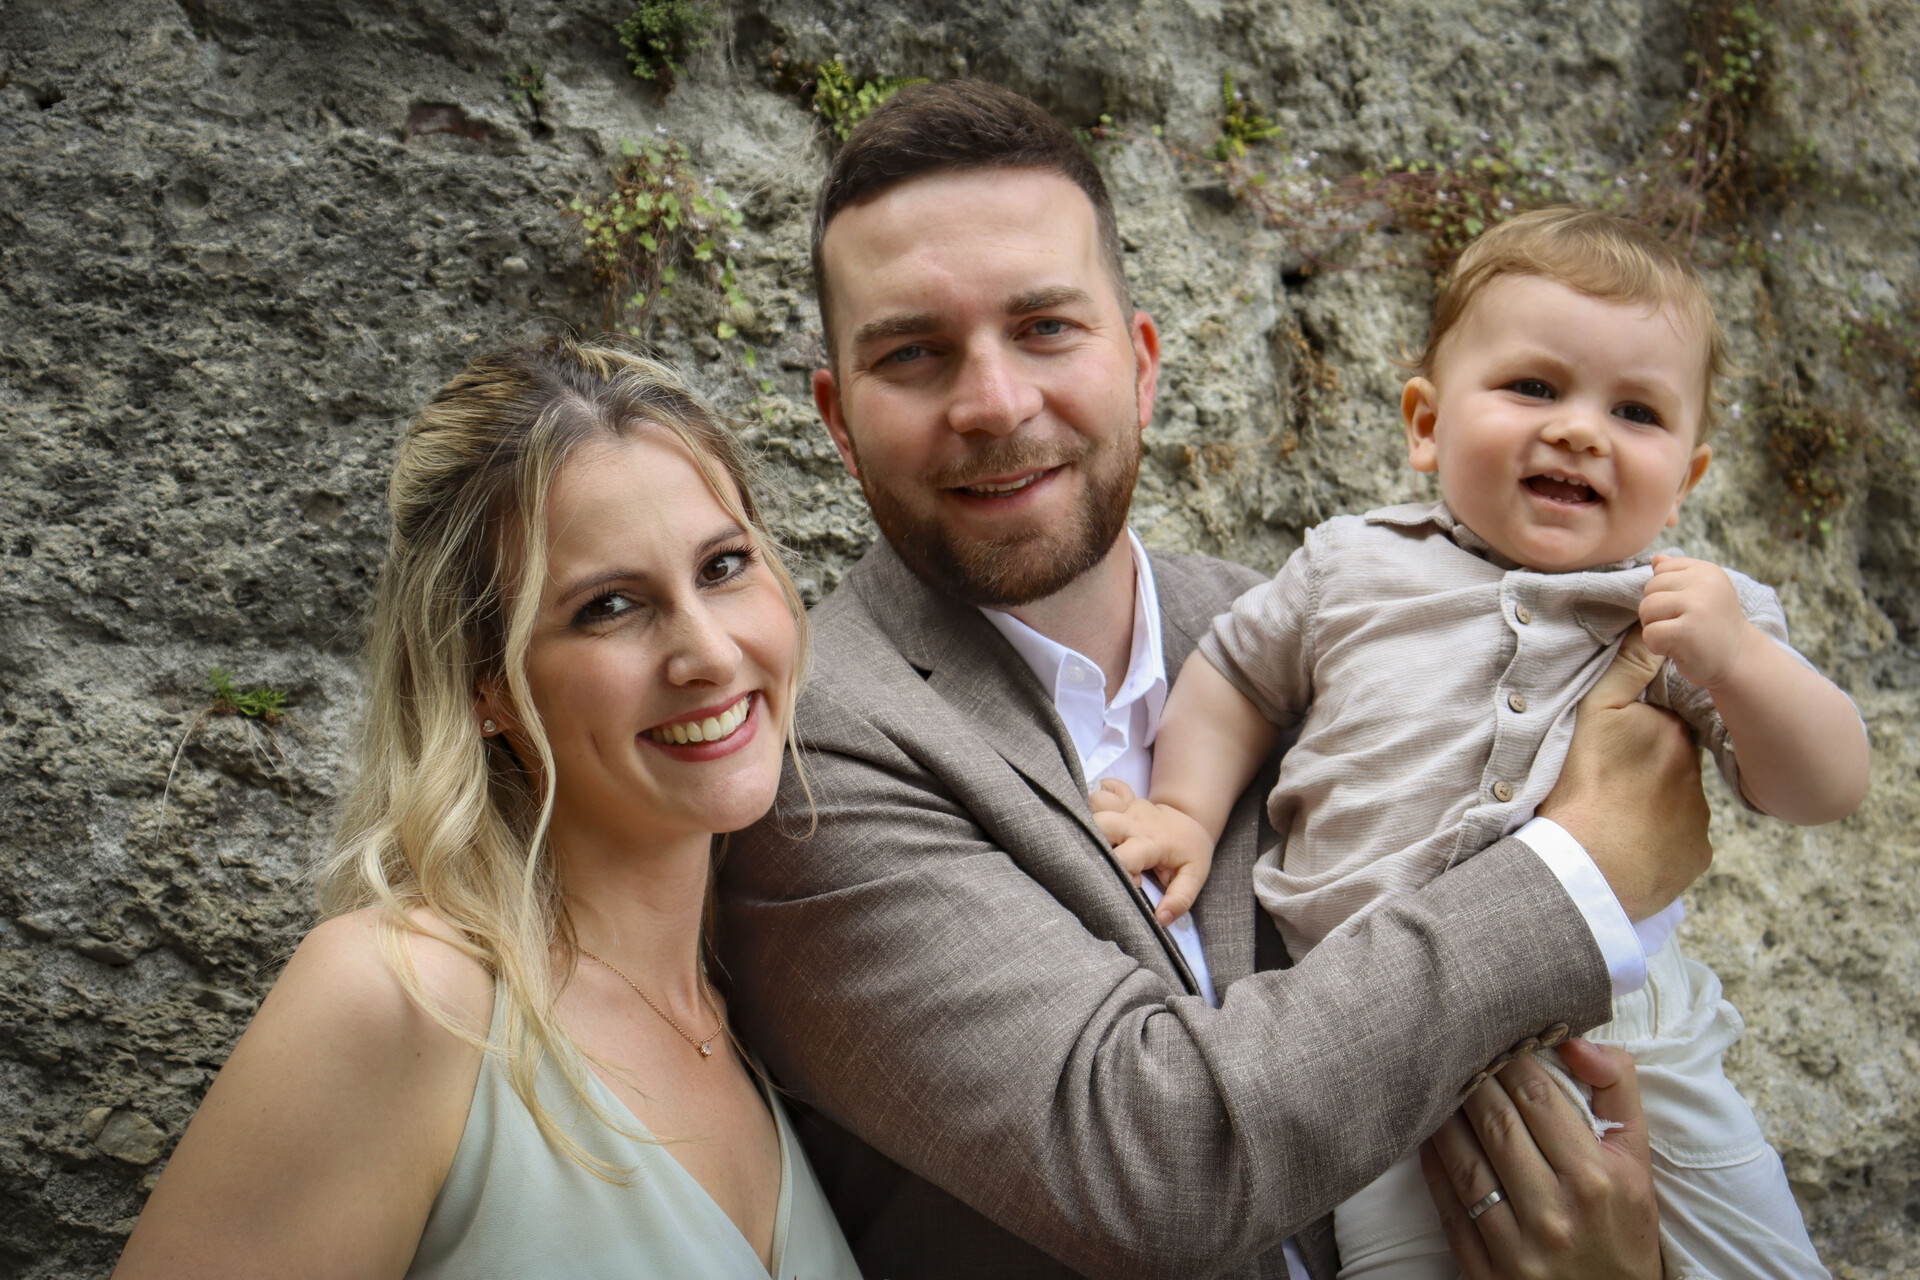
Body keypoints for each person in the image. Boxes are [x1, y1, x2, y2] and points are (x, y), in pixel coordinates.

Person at [719, 81, 1715, 1279]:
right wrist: (1580, 870)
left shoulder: (1307, 628)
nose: (994, 402)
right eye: (913, 353)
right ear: (838, 419)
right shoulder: (807, 752)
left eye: (1046, 327)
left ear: (1141, 365)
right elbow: (1156, 1159)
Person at [1098, 208, 1860, 1278]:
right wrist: (1184, 807)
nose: (1581, 430)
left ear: (1685, 480)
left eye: (1635, 410)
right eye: (1535, 387)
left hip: (1625, 1032)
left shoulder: (1675, 609)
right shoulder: (1349, 567)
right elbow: (1233, 676)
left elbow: (1824, 785)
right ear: (1426, 422)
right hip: (1378, 1040)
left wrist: (1741, 662)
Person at [113, 340, 862, 1280]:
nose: (709, 654)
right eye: (609, 606)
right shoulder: (401, 998)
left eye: (723, 566)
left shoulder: (769, 1012)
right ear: (485, 686)